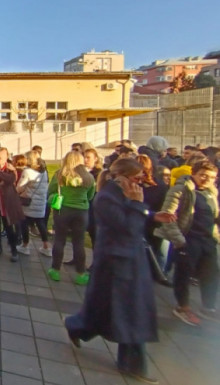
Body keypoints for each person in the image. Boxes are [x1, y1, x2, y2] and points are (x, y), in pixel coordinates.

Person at [64, 158, 170, 385]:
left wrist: (152, 216)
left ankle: (77, 326)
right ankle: (133, 365)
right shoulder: (106, 198)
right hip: (116, 261)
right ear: (120, 176)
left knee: (107, 307)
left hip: (131, 260)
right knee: (128, 311)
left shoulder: (124, 193)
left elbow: (133, 218)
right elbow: (127, 226)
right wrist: (139, 205)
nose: (139, 183)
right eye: (136, 178)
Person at [156, 160, 219, 326]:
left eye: (212, 177)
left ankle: (208, 308)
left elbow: (213, 216)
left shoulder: (212, 192)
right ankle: (182, 307)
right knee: (183, 274)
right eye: (203, 175)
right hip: (188, 239)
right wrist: (180, 241)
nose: (207, 179)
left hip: (208, 240)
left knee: (211, 274)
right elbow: (167, 216)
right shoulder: (182, 189)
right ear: (194, 173)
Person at [47, 151, 95, 285]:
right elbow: (90, 196)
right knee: (78, 243)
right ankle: (81, 273)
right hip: (81, 211)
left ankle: (55, 270)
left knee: (59, 240)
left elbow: (50, 190)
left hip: (63, 209)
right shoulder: (89, 177)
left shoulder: (60, 175)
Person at [0, 148, 24, 262]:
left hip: (7, 204)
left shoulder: (10, 169)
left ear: (6, 158)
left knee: (9, 227)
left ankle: (13, 250)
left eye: (0, 158)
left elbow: (10, 179)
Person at [16, 150, 50, 256]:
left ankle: (25, 245)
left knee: (24, 223)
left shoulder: (27, 172)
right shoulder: (44, 172)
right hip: (40, 203)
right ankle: (46, 246)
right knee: (40, 223)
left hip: (28, 202)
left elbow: (20, 187)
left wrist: (18, 190)